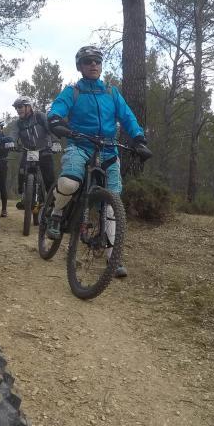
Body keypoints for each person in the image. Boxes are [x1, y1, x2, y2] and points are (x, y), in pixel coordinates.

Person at [46, 45, 152, 278]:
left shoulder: (111, 93)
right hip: (80, 145)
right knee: (69, 183)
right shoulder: (73, 92)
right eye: (88, 61)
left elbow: (127, 117)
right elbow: (58, 108)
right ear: (80, 67)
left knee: (113, 201)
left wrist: (138, 139)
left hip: (108, 149)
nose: (93, 64)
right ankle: (56, 213)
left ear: (101, 66)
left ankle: (113, 257)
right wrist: (55, 120)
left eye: (97, 61)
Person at [11, 96, 58, 210]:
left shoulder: (40, 116)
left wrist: (55, 142)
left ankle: (53, 206)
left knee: (49, 179)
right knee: (22, 172)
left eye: (20, 107)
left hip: (44, 150)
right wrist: (11, 142)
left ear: (29, 107)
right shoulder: (18, 123)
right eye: (16, 108)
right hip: (28, 151)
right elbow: (14, 134)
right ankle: (24, 196)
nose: (18, 109)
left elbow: (50, 129)